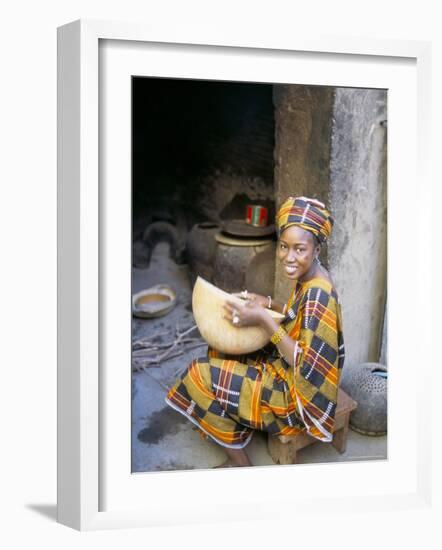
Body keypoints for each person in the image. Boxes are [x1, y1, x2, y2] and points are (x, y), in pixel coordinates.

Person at [166, 196, 345, 467]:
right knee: (219, 350)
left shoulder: (320, 295)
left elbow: (303, 363)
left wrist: (263, 318)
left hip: (296, 399)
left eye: (300, 249)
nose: (289, 257)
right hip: (288, 372)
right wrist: (269, 302)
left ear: (317, 249)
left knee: (198, 374)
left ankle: (242, 465)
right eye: (284, 247)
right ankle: (237, 419)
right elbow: (300, 319)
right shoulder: (313, 277)